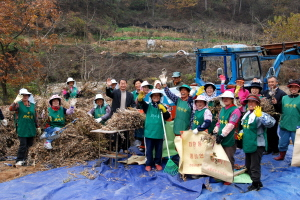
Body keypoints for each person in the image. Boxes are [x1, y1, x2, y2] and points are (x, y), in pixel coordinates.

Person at [241, 94, 275, 191]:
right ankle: (258, 182)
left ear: (257, 104)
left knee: (254, 166)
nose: (250, 104)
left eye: (253, 102)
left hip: (257, 144)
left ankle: (255, 184)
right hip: (248, 143)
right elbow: (246, 128)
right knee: (248, 165)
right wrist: (241, 133)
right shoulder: (246, 115)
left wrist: (261, 116)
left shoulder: (261, 114)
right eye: (249, 102)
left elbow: (270, 124)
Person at [138, 89, 170, 171]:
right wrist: (140, 99)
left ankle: (157, 163)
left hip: (159, 131)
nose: (156, 97)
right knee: (149, 149)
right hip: (149, 132)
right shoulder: (147, 106)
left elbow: (167, 117)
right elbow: (141, 103)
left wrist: (164, 110)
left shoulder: (163, 106)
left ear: (160, 97)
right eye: (154, 95)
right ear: (151, 97)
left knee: (159, 149)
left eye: (158, 95)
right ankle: (149, 163)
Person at [213, 91, 241, 181]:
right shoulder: (222, 109)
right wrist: (215, 131)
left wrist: (222, 135)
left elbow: (231, 125)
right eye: (223, 98)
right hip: (220, 137)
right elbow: (219, 122)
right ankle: (220, 175)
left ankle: (228, 178)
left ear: (232, 99)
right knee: (220, 157)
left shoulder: (235, 110)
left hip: (230, 138)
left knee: (228, 158)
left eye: (227, 98)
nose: (225, 100)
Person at [9, 88, 40, 166]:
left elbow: (35, 117)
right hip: (22, 127)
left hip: (31, 127)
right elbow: (11, 109)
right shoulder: (18, 104)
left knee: (30, 145)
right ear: (20, 96)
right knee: (23, 145)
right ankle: (19, 159)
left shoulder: (33, 105)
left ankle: (26, 159)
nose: (25, 97)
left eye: (26, 95)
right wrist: (15, 101)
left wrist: (38, 126)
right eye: (23, 95)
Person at [106, 78, 136, 151]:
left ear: (126, 84)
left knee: (126, 132)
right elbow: (108, 94)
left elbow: (133, 104)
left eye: (124, 83)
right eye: (121, 83)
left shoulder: (130, 94)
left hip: (126, 116)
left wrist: (133, 109)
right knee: (116, 133)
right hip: (116, 115)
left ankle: (125, 148)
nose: (123, 85)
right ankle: (117, 148)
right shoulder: (115, 92)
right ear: (119, 85)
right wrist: (108, 87)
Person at [274, 80, 300, 161]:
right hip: (285, 124)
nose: (293, 88)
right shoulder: (284, 98)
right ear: (289, 88)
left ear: (299, 88)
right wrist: (275, 104)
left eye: (296, 87)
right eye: (292, 87)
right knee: (283, 142)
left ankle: (297, 159)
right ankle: (281, 156)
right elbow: (279, 110)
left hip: (296, 125)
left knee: (297, 144)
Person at [262, 76, 286, 155]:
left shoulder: (282, 93)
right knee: (266, 133)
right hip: (265, 115)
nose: (270, 83)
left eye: (272, 82)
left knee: (273, 133)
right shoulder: (265, 92)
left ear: (277, 82)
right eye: (269, 82)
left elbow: (283, 107)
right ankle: (268, 148)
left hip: (274, 116)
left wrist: (276, 104)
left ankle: (275, 149)